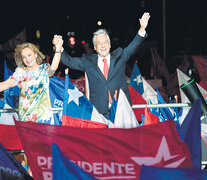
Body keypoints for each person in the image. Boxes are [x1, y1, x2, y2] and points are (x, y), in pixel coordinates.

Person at [53, 12, 150, 119]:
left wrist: (142, 29)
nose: (103, 46)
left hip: (121, 109)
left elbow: (133, 46)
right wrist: (59, 48)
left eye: (105, 42)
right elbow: (69, 61)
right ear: (95, 47)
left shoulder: (120, 55)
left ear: (109, 44)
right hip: (99, 112)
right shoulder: (88, 61)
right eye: (99, 43)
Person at [0, 35, 63, 124]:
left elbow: (53, 68)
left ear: (35, 54)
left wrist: (58, 47)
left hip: (44, 120)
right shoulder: (20, 72)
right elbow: (6, 84)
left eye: (29, 55)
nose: (27, 59)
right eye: (24, 57)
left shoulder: (44, 69)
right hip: (26, 120)